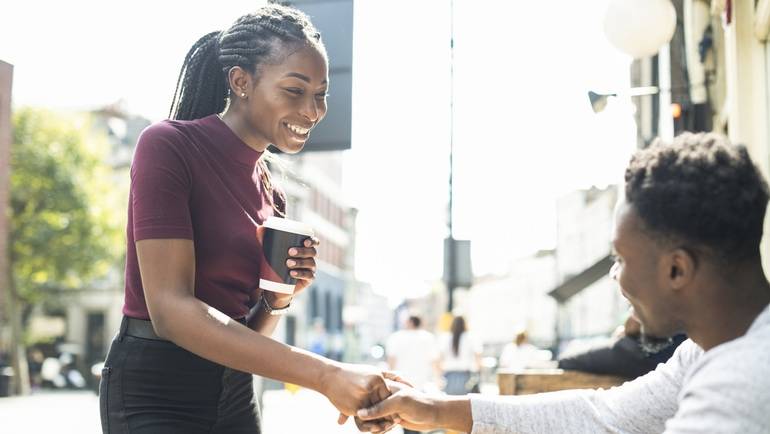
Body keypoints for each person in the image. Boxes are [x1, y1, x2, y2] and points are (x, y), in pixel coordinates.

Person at [99, 5, 392, 433]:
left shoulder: (272, 194)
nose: (312, 111)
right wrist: (327, 376)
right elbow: (171, 310)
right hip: (155, 393)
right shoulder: (168, 145)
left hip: (233, 391)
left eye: (321, 94)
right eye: (295, 90)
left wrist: (278, 298)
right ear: (241, 82)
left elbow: (248, 332)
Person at [356, 133, 770, 433]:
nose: (615, 276)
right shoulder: (711, 349)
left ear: (677, 270)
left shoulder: (740, 385)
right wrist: (435, 409)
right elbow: (605, 416)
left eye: (621, 259)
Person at [558, 312, 686, 379]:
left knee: (567, 360)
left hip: (649, 354)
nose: (615, 273)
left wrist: (634, 323)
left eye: (621, 261)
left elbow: (633, 324)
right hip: (669, 352)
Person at [385, 314, 440, 434]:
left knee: (405, 419)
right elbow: (435, 362)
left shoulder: (396, 337)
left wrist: (388, 382)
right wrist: (438, 380)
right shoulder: (428, 338)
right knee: (418, 419)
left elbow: (391, 362)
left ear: (409, 322)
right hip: (421, 385)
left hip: (401, 385)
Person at [439, 315, 482, 395]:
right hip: (466, 377)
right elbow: (478, 358)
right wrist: (478, 373)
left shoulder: (445, 337)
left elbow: (439, 359)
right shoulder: (471, 337)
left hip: (448, 377)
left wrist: (438, 377)